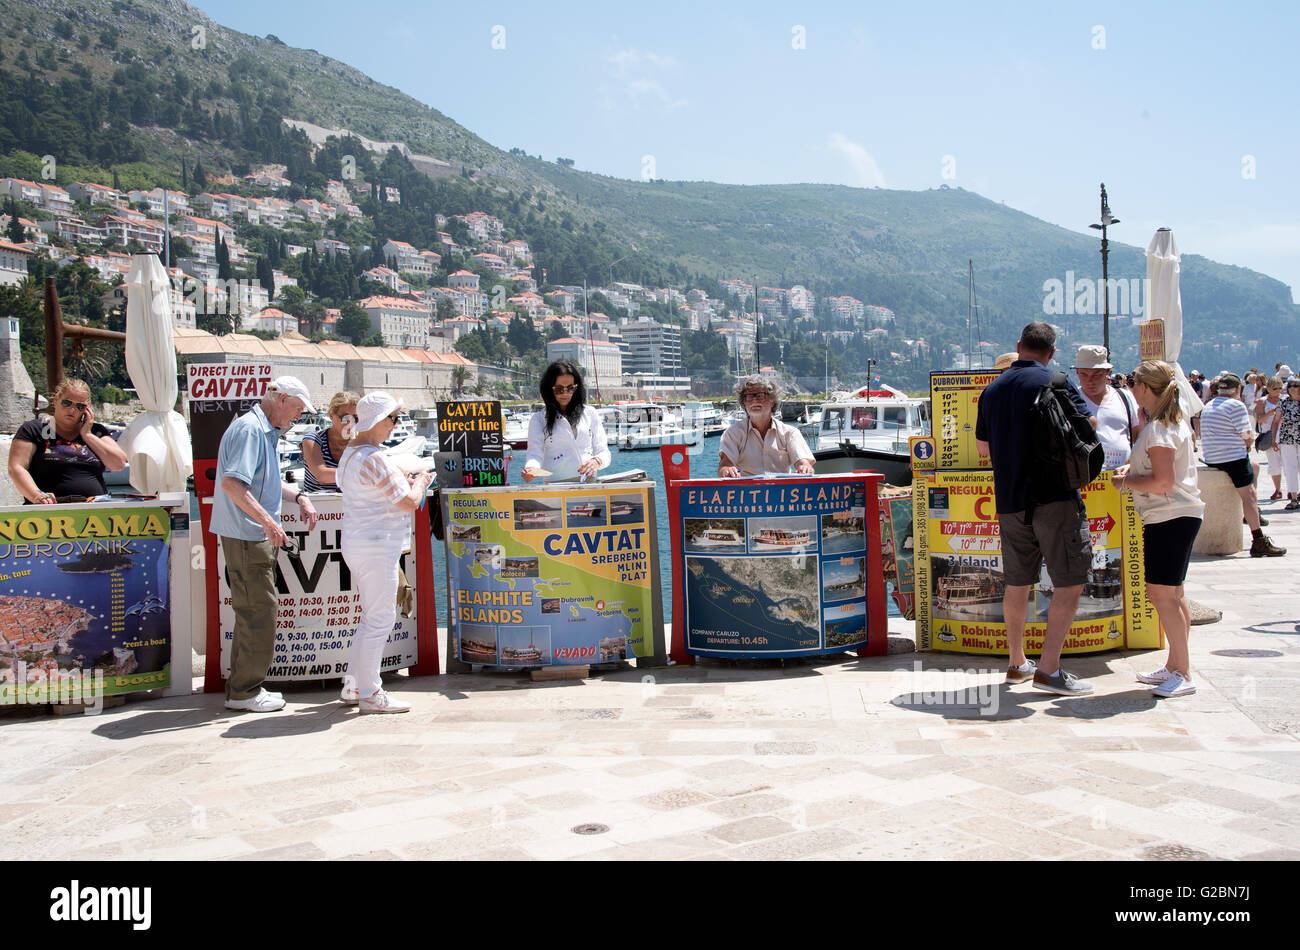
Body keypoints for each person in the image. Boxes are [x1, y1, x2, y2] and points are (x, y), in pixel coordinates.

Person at [975, 322, 1094, 695]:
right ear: (1052, 351)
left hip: (1010, 500)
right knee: (1069, 582)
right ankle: (1049, 669)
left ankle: (1016, 662)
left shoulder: (992, 390)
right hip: (1055, 497)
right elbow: (1087, 426)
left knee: (1017, 582)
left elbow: (983, 448)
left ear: (1018, 346)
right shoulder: (1055, 382)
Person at [211, 376, 320, 713]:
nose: (297, 418)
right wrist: (269, 521)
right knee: (259, 612)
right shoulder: (251, 431)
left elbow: (263, 483)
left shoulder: (262, 431)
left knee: (254, 612)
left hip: (251, 534)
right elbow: (232, 484)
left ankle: (243, 688)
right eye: (298, 409)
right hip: (248, 535)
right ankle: (244, 692)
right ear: (281, 398)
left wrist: (299, 496)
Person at [336, 392, 434, 714]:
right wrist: (421, 482)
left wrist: (404, 483)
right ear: (378, 420)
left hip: (357, 544)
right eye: (393, 419)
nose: (395, 426)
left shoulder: (350, 455)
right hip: (378, 547)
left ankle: (354, 684)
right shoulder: (375, 458)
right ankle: (371, 693)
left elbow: (376, 490)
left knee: (369, 617)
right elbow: (406, 501)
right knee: (380, 619)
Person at [1114, 361, 1204, 698]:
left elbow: (1163, 481)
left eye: (1132, 380)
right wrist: (1134, 468)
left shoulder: (1159, 429)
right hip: (1177, 515)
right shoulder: (1166, 424)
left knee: (1162, 595)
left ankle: (1183, 671)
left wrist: (1126, 481)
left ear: (1146, 388)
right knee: (1173, 595)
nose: (1129, 384)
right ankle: (1175, 665)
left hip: (1169, 516)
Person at [1200, 372, 1285, 557]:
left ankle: (1250, 514)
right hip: (1232, 459)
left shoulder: (1208, 406)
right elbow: (1247, 435)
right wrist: (1246, 446)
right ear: (1238, 389)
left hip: (1212, 457)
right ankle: (1258, 540)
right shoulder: (1236, 405)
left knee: (1254, 467)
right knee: (1250, 496)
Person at [8, 378, 128, 503]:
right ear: (56, 400)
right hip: (48, 509)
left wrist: (87, 435)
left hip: (94, 510)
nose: (72, 410)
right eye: (67, 403)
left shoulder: (96, 431)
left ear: (87, 410)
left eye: (80, 406)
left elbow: (118, 463)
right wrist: (37, 496)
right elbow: (16, 467)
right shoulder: (34, 429)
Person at [522, 361, 610, 483]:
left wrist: (597, 461)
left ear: (576, 388)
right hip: (555, 488)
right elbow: (534, 453)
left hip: (588, 484)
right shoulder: (538, 419)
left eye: (570, 388)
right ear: (549, 389)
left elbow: (603, 451)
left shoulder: (590, 413)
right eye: (559, 389)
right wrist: (530, 469)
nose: (565, 393)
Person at [718, 377, 815, 477]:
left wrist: (804, 468)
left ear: (772, 401)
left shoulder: (790, 433)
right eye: (749, 396)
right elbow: (725, 465)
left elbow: (803, 462)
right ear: (744, 403)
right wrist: (727, 470)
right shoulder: (733, 433)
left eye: (760, 395)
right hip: (746, 491)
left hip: (782, 490)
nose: (754, 400)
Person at [1073, 344, 1141, 470]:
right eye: (1084, 375)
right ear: (1077, 372)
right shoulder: (1071, 401)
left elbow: (1137, 434)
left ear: (1107, 372)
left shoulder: (1125, 397)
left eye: (1096, 375)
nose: (1090, 381)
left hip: (1122, 477)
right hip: (1086, 480)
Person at [301, 391, 360, 493]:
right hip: (318, 506)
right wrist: (365, 474)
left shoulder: (359, 444)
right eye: (345, 418)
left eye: (355, 418)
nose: (350, 423)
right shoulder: (312, 440)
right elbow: (322, 475)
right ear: (331, 415)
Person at [1269, 377, 1300, 510]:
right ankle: (1293, 497)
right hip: (1287, 439)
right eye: (1290, 385)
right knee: (1289, 467)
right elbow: (1276, 421)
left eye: (1295, 385)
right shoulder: (1283, 402)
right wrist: (1273, 439)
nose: (1292, 387)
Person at [1257, 376, 1285, 500]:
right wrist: (1270, 413)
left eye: (1280, 388)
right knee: (1274, 463)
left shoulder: (1285, 400)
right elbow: (1259, 419)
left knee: (1291, 463)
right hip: (1269, 434)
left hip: (1285, 434)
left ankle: (1292, 489)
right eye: (1275, 388)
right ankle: (1277, 489)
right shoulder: (1262, 401)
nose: (1277, 391)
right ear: (1268, 388)